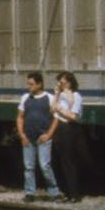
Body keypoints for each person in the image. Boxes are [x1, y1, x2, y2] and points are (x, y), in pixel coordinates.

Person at [15, 71, 62, 202]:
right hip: (28, 137)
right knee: (29, 167)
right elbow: (20, 117)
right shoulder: (25, 98)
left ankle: (54, 192)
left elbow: (56, 118)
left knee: (44, 166)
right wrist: (22, 135)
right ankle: (30, 193)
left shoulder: (49, 98)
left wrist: (49, 134)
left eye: (31, 84)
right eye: (28, 84)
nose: (28, 87)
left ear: (39, 84)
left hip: (43, 137)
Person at [52, 71, 86, 202]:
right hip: (59, 127)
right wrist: (56, 96)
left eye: (62, 82)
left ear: (69, 83)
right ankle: (66, 191)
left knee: (69, 162)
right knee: (59, 161)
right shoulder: (60, 95)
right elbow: (51, 109)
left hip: (69, 129)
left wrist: (60, 109)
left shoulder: (76, 96)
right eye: (59, 82)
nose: (60, 84)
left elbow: (73, 116)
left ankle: (74, 194)